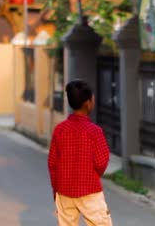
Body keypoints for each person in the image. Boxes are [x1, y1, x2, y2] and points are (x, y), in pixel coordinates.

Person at [48, 79, 112, 226]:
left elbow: (52, 164)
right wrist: (93, 174)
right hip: (90, 190)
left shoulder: (60, 130)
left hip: (64, 191)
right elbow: (101, 162)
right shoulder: (95, 132)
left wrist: (56, 192)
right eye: (92, 97)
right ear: (88, 103)